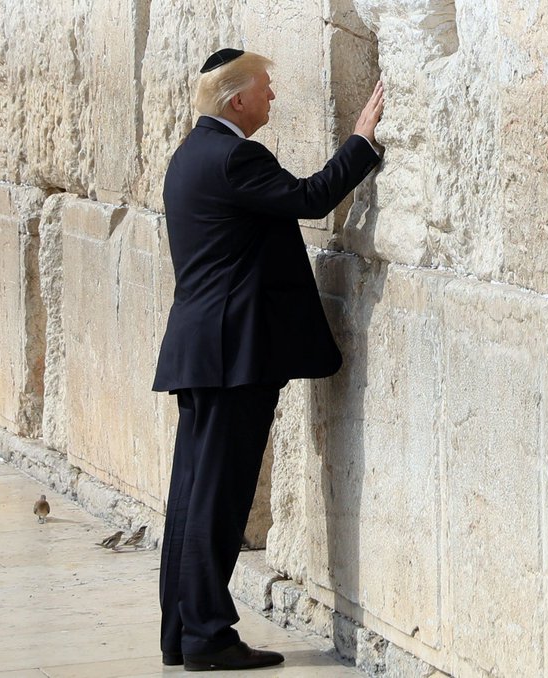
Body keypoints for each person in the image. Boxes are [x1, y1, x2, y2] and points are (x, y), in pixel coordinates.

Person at [152, 48, 385, 671]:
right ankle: (207, 637)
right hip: (235, 356)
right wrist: (361, 142)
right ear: (236, 100)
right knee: (219, 500)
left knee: (193, 493)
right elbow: (310, 199)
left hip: (200, 349)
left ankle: (181, 631)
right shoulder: (235, 157)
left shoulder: (188, 157)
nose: (272, 97)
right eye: (265, 88)